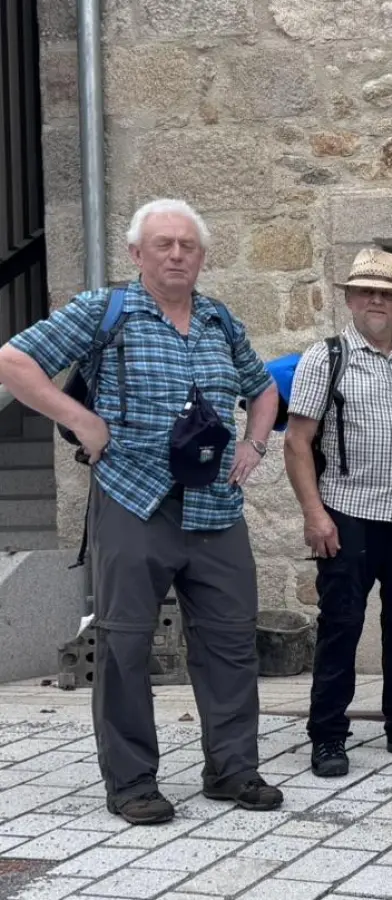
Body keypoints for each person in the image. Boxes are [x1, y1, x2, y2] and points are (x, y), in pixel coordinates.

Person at [0, 198, 282, 825]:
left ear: (202, 256)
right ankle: (131, 783)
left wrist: (254, 443)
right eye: (163, 244)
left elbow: (262, 389)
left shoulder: (219, 320)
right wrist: (81, 420)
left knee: (232, 643)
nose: (177, 254)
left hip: (215, 509)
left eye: (187, 245)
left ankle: (232, 769)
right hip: (133, 501)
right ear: (137, 254)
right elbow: (14, 360)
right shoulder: (108, 310)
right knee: (125, 647)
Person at [284, 247, 392, 778]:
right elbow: (298, 442)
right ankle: (328, 735)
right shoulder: (325, 357)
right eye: (367, 292)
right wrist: (314, 515)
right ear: (351, 299)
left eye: (388, 293)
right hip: (349, 511)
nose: (377, 300)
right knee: (342, 625)